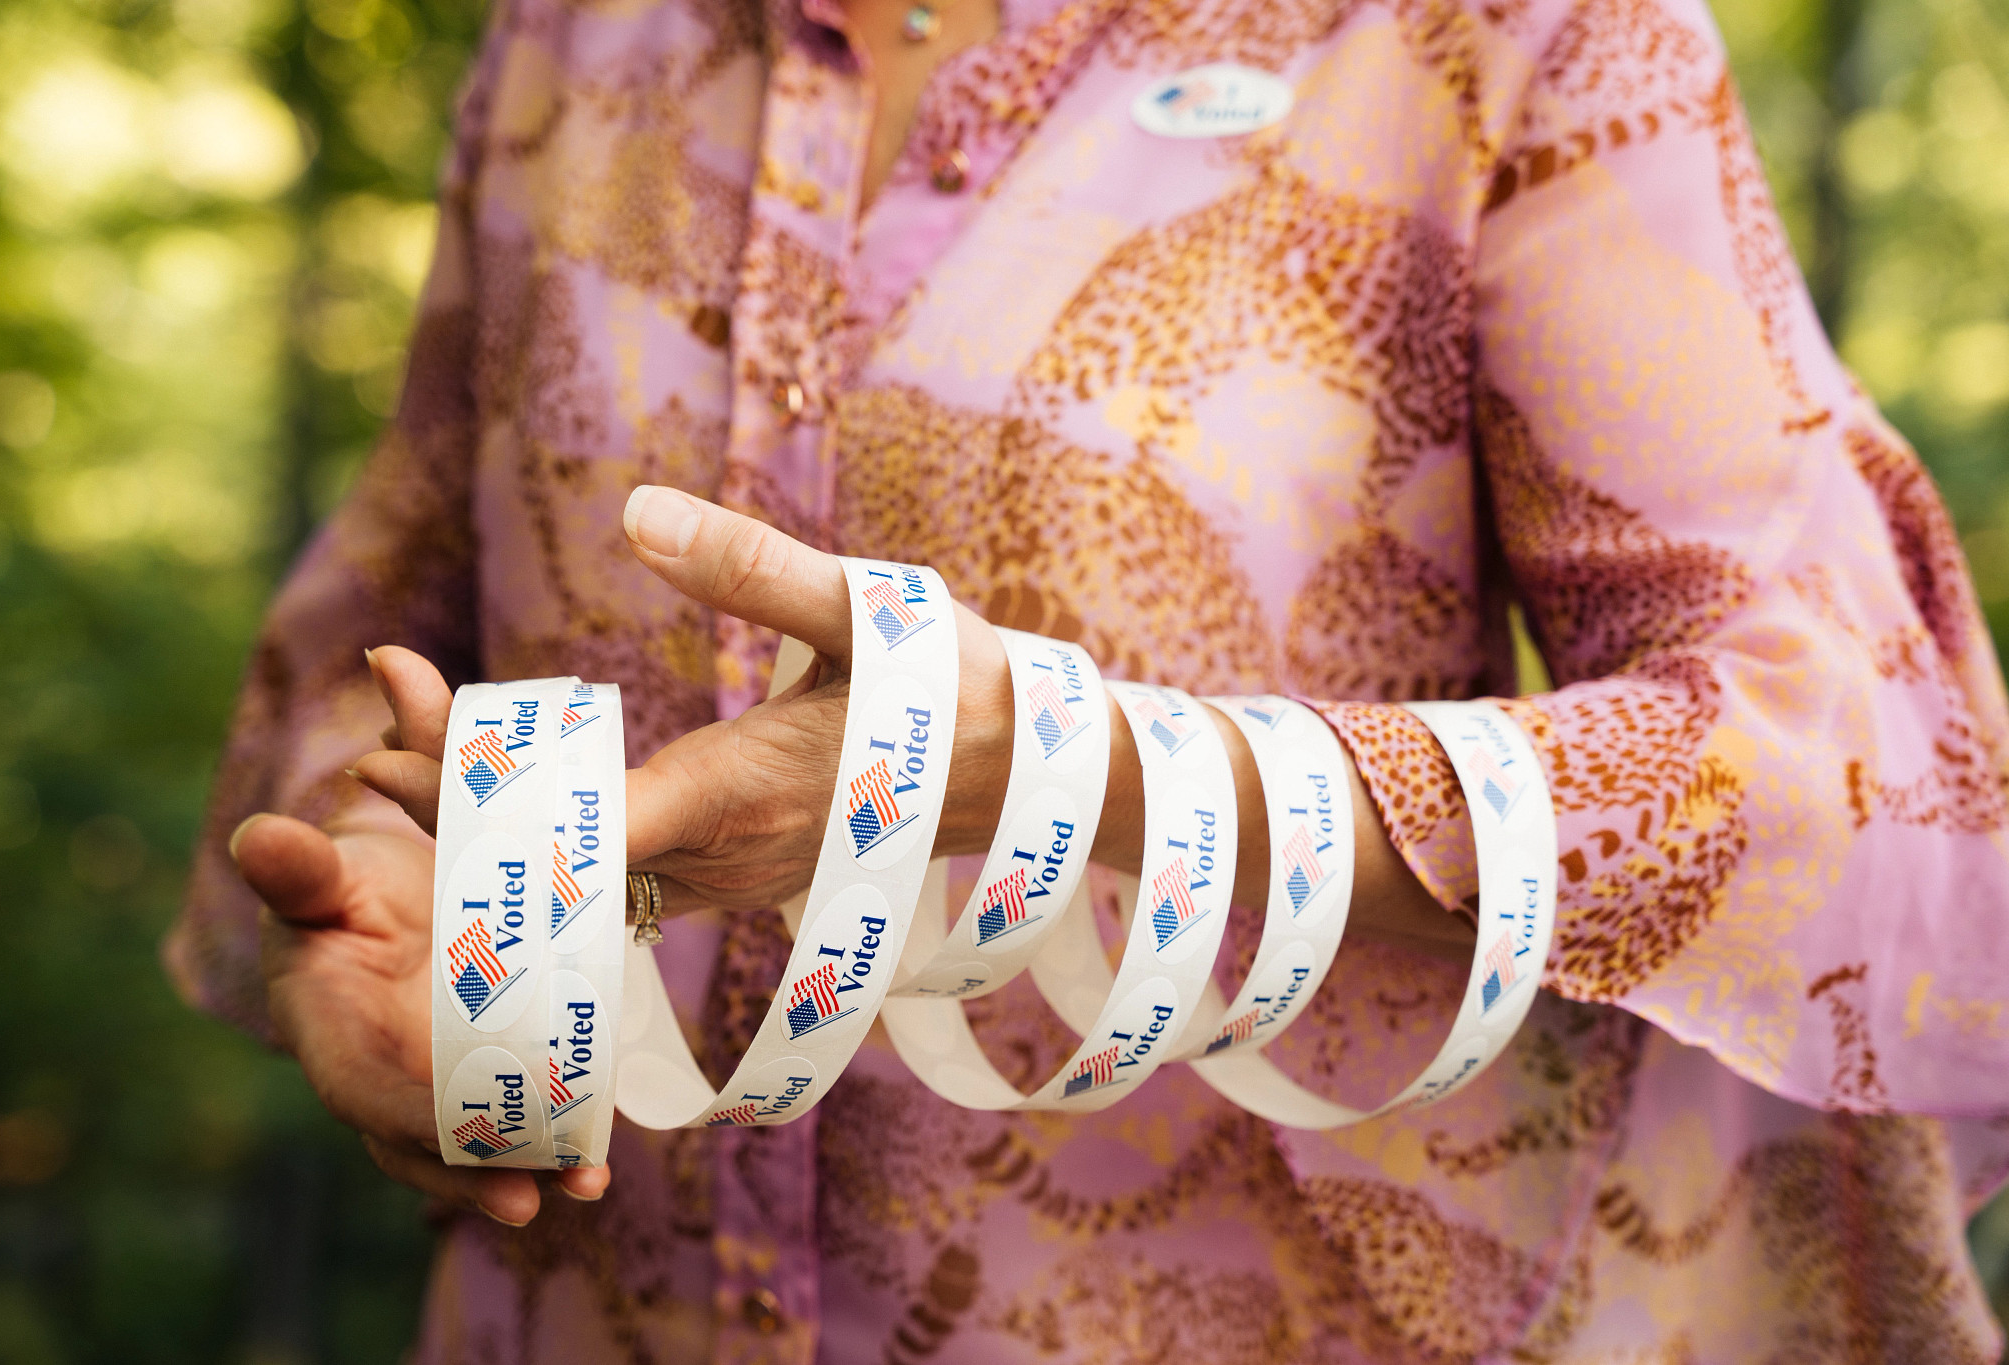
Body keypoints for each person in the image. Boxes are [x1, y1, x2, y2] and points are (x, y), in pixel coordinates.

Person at [169, 0, 2009, 1357]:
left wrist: (1061, 775)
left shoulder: (1508, 32)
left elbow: (1843, 758)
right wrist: (391, 893)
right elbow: (388, 627)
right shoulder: (571, 44)